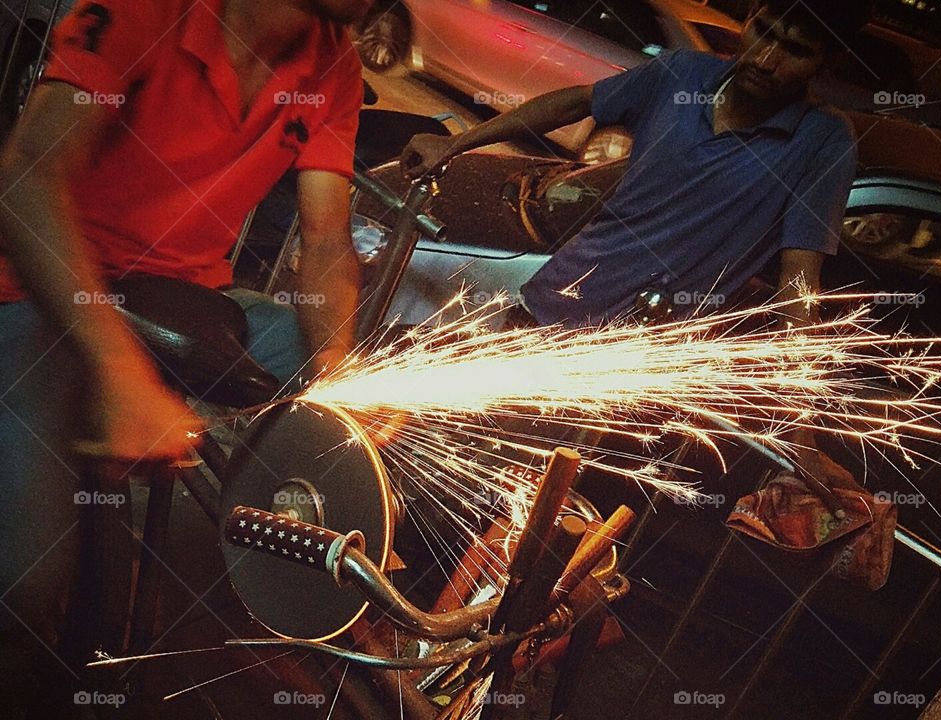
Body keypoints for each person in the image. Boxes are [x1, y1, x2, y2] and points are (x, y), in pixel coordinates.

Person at [0, 0, 371, 714]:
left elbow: (325, 243)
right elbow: (27, 178)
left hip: (188, 292)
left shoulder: (334, 62)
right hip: (50, 284)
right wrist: (120, 375)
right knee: (22, 581)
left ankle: (310, 588)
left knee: (344, 400)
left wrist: (337, 365)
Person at [403, 0, 872, 512]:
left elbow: (797, 285)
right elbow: (575, 103)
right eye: (763, 33)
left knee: (542, 513)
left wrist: (800, 428)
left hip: (630, 369)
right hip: (547, 313)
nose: (765, 58)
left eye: (795, 51)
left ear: (827, 64)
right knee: (452, 473)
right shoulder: (682, 73)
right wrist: (458, 143)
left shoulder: (822, 141)